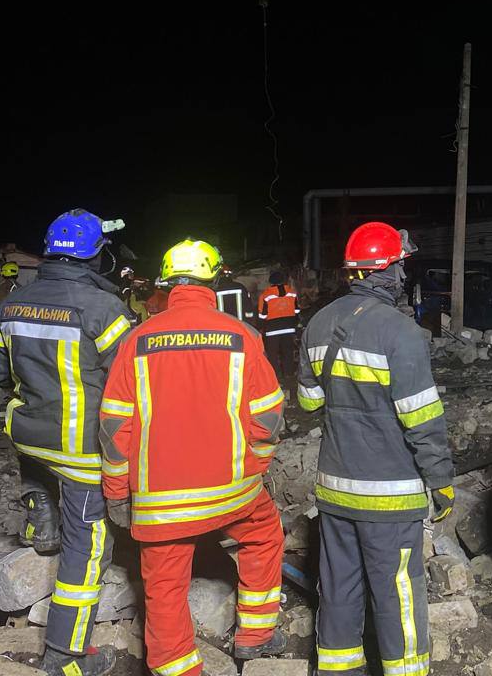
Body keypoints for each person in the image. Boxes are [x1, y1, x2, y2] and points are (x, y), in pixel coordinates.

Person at [100, 239, 287, 676]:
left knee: (163, 587)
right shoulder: (242, 336)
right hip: (233, 491)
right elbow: (268, 416)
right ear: (215, 280)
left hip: (161, 500)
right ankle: (256, 634)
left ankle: (177, 668)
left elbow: (113, 428)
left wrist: (116, 492)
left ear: (167, 284)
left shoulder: (137, 340)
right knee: (263, 535)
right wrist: (256, 465)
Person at [298, 223, 454, 676]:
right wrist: (441, 482)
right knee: (397, 591)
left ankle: (338, 669)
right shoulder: (400, 332)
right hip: (390, 494)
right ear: (388, 271)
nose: (404, 273)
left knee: (338, 588)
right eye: (400, 265)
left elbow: (309, 402)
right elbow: (423, 420)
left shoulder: (318, 323)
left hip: (335, 489)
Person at [0, 209, 134, 676]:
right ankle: (64, 656)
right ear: (96, 255)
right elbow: (129, 385)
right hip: (81, 449)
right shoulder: (105, 310)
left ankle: (41, 525)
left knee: (39, 469)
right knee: (87, 548)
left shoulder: (10, 305)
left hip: (29, 437)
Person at [258, 270, 300, 378]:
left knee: (272, 354)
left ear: (271, 282)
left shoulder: (265, 295)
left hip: (272, 330)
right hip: (288, 328)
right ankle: (288, 374)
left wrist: (261, 327)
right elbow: (297, 311)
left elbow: (262, 315)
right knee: (288, 352)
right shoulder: (292, 293)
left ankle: (275, 376)